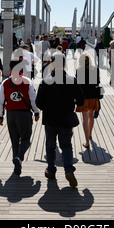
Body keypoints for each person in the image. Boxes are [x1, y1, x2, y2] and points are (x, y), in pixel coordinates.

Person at [35, 53, 85, 188]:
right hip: (66, 119)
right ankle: (68, 169)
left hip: (50, 119)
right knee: (66, 145)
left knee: (50, 146)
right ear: (64, 65)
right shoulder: (72, 80)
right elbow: (81, 100)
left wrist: (48, 106)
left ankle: (51, 170)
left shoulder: (45, 81)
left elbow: (38, 103)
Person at [0, 58, 40, 176]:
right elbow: (33, 99)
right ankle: (19, 157)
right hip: (24, 114)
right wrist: (36, 112)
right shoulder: (27, 81)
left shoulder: (5, 83)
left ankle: (17, 167)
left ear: (11, 69)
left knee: (14, 140)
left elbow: (1, 101)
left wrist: (0, 115)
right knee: (26, 139)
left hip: (11, 114)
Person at [75, 52, 100, 149]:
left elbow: (78, 84)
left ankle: (86, 141)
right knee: (91, 116)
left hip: (83, 97)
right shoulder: (95, 69)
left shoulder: (79, 70)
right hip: (93, 96)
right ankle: (90, 134)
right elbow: (97, 82)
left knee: (85, 118)